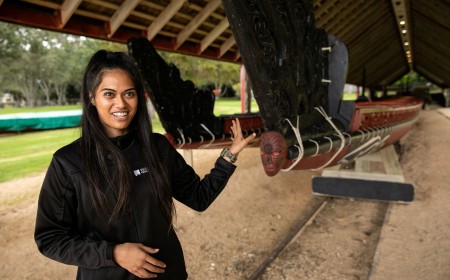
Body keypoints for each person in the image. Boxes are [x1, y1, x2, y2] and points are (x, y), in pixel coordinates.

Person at [34, 50, 256, 279]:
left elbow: (199, 198)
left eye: (128, 93)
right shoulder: (68, 162)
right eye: (109, 94)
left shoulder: (157, 147)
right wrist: (114, 253)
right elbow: (50, 239)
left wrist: (229, 157)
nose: (120, 103)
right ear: (92, 97)